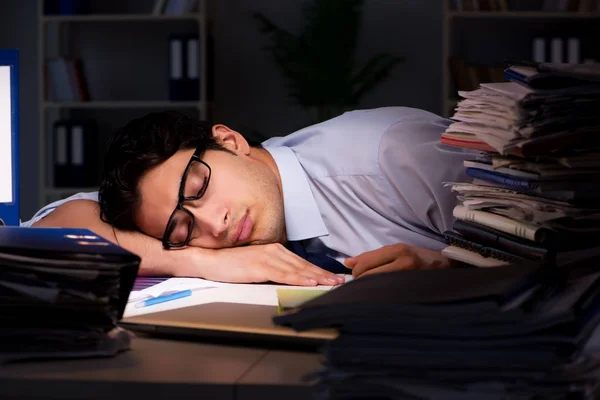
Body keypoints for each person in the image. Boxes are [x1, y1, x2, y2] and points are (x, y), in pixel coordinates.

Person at [22, 107, 475, 285]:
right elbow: (61, 222)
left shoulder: (389, 156)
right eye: (182, 229)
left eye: (198, 189)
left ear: (230, 141)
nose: (213, 226)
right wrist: (194, 259)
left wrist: (457, 269)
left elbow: (546, 238)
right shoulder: (169, 202)